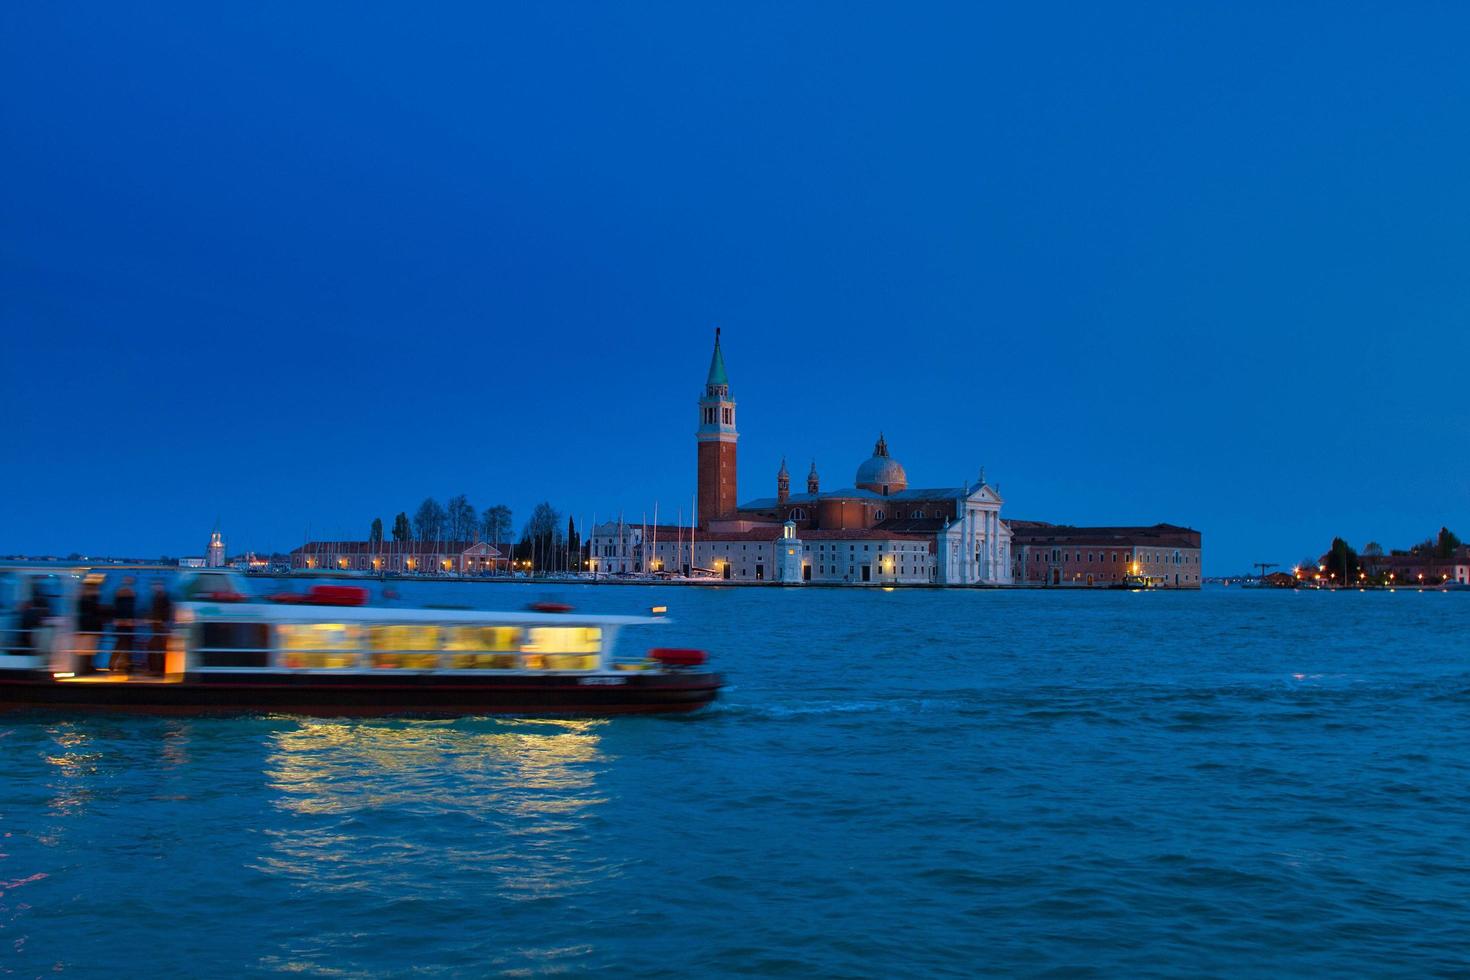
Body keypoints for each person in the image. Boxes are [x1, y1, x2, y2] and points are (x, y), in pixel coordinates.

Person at [75, 575, 107, 675]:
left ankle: (85, 667)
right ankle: (85, 668)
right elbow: (95, 610)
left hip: (84, 626)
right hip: (89, 626)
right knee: (88, 648)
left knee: (86, 648)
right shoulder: (90, 598)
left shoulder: (81, 597)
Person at [110, 577, 137, 674]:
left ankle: (116, 664)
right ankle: (125, 665)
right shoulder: (131, 594)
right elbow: (128, 609)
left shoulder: (119, 594)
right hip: (126, 623)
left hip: (123, 623)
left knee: (122, 643)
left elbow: (117, 609)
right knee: (124, 644)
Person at [147, 580, 173, 675]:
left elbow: (162, 612)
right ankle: (158, 668)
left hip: (159, 626)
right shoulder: (161, 598)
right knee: (158, 647)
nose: (155, 587)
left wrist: (160, 621)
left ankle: (158, 669)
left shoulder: (160, 598)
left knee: (155, 647)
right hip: (159, 625)